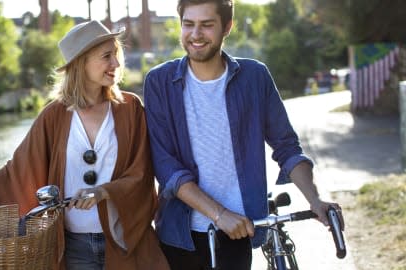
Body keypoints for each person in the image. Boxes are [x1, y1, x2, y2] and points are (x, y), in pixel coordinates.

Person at [0, 20, 168, 270]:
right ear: (80, 63)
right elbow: (16, 172)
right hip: (73, 248)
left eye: (116, 54)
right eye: (106, 56)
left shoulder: (130, 109)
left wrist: (104, 191)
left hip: (125, 243)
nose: (116, 64)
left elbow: (141, 173)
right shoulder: (55, 115)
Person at [142, 1, 345, 269]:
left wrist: (315, 199)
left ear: (227, 27)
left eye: (207, 25)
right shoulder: (159, 82)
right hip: (180, 235)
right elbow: (166, 166)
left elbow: (286, 146)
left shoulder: (254, 77)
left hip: (237, 230)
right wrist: (219, 214)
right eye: (188, 24)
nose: (195, 34)